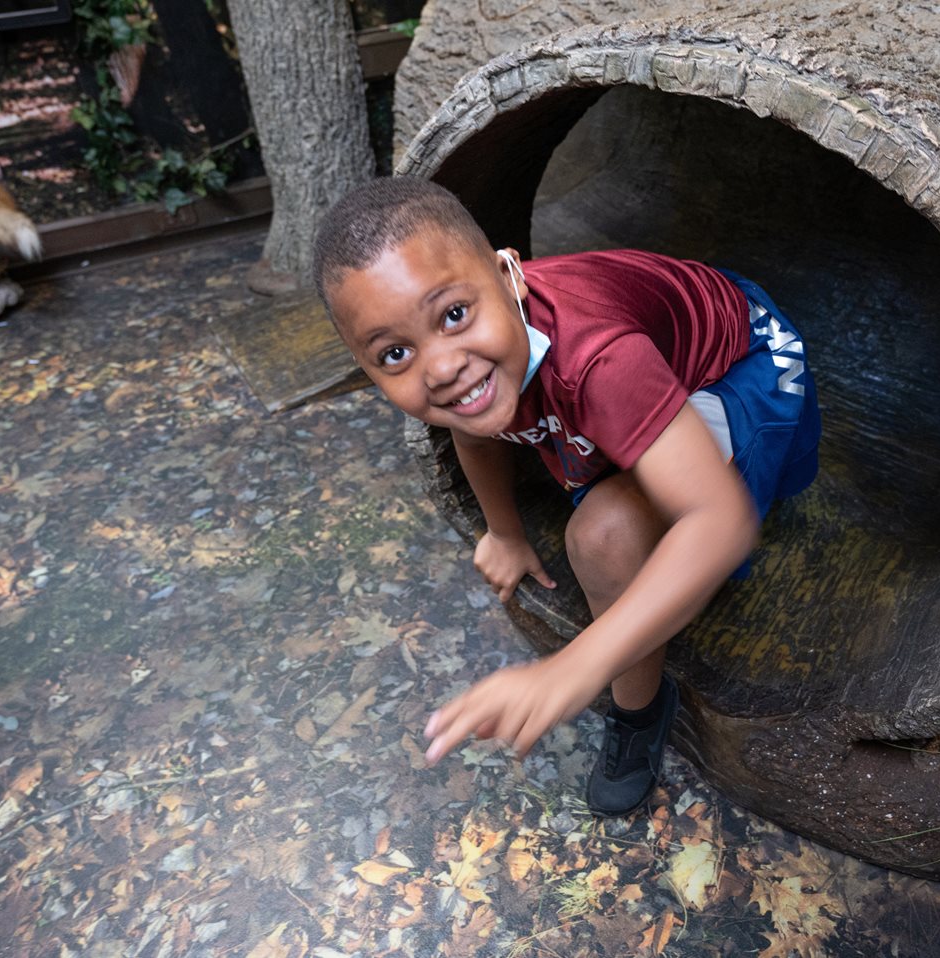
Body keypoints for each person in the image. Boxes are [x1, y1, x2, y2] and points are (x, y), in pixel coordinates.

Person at [313, 177, 820, 816]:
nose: (439, 367)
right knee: (526, 424)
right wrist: (505, 532)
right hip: (644, 346)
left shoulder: (600, 359)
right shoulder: (469, 364)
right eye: (394, 353)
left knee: (606, 537)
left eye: (453, 314)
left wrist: (571, 669)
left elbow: (719, 521)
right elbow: (476, 429)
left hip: (741, 355)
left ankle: (638, 710)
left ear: (509, 276)